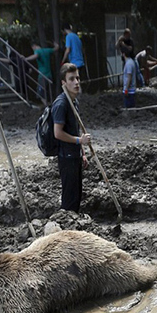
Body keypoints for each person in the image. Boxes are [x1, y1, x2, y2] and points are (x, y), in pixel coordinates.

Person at [52, 63, 90, 213]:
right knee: (69, 200)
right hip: (66, 157)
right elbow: (57, 133)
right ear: (64, 83)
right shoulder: (61, 104)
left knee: (77, 196)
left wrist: (83, 153)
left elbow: (74, 129)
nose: (76, 82)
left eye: (78, 78)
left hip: (75, 155)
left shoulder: (74, 101)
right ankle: (65, 228)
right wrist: (79, 141)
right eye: (71, 79)